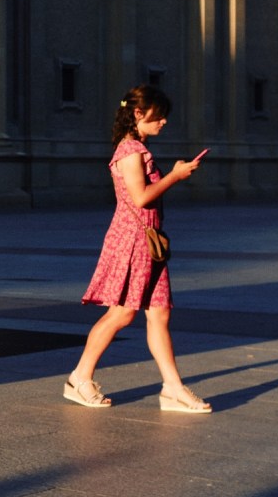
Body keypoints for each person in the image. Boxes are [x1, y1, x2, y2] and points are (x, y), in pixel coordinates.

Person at [65, 85, 211, 413]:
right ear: (137, 114)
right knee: (122, 312)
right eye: (158, 117)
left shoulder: (139, 147)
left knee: (159, 313)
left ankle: (173, 389)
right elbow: (141, 196)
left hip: (148, 241)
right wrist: (175, 175)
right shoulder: (130, 150)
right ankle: (79, 378)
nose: (163, 123)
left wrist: (174, 174)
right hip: (131, 241)